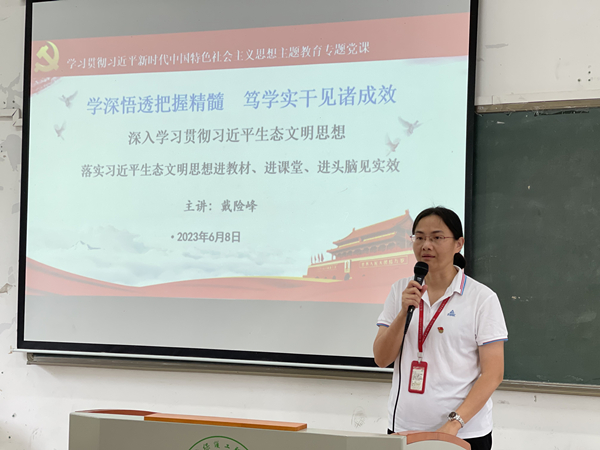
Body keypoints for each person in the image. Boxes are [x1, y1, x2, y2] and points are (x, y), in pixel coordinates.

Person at [373, 207, 507, 450]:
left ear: (458, 244)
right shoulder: (400, 291)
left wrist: (454, 424)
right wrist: (404, 312)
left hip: (463, 432)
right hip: (404, 428)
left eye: (437, 237)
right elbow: (382, 359)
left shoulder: (481, 298)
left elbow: (493, 374)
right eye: (419, 237)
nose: (426, 245)